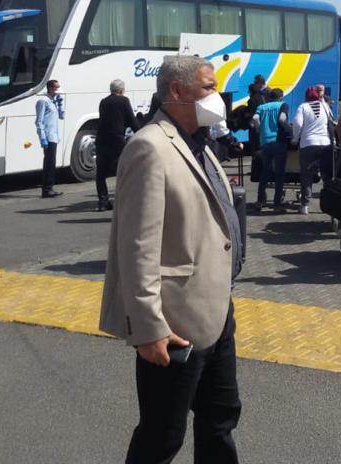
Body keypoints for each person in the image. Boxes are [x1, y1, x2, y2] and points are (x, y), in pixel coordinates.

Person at [99, 55, 243, 464]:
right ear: (177, 91)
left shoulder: (199, 144)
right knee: (163, 434)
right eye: (209, 87)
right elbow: (137, 246)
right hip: (174, 320)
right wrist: (148, 328)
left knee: (220, 419)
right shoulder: (149, 147)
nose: (217, 96)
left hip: (216, 312)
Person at [95, 79, 142, 211]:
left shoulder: (103, 101)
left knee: (100, 173)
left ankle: (103, 202)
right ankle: (122, 200)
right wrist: (140, 131)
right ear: (122, 90)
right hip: (117, 140)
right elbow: (131, 120)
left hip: (102, 140)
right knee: (122, 171)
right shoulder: (124, 101)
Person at [292, 86, 334, 215]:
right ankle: (330, 203)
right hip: (325, 143)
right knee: (327, 175)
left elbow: (297, 123)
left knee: (306, 175)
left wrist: (295, 138)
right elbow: (331, 122)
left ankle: (305, 205)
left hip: (308, 144)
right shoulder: (325, 106)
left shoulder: (303, 107)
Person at [253, 88, 290, 210]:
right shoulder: (283, 105)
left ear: (270, 97)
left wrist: (259, 129)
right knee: (279, 173)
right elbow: (282, 119)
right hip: (278, 141)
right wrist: (289, 130)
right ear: (281, 97)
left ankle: (260, 200)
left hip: (265, 142)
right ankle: (277, 204)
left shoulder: (261, 107)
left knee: (265, 171)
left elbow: (255, 118)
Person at [34, 79, 64, 198]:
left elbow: (61, 117)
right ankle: (47, 189)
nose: (58, 90)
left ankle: (49, 187)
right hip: (48, 136)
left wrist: (60, 105)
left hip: (54, 136)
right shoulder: (43, 101)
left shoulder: (53, 101)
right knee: (49, 163)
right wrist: (42, 138)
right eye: (56, 88)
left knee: (52, 163)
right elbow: (39, 121)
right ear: (50, 88)